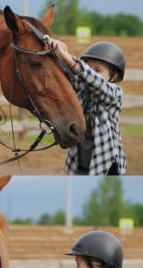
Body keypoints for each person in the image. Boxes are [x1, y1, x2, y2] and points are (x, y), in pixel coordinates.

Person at [43, 36, 127, 175]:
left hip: (106, 165)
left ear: (114, 77)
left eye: (98, 70)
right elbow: (70, 73)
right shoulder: (82, 88)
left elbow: (94, 81)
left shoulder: (115, 93)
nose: (92, 72)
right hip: (79, 163)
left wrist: (68, 57)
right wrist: (56, 51)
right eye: (89, 67)